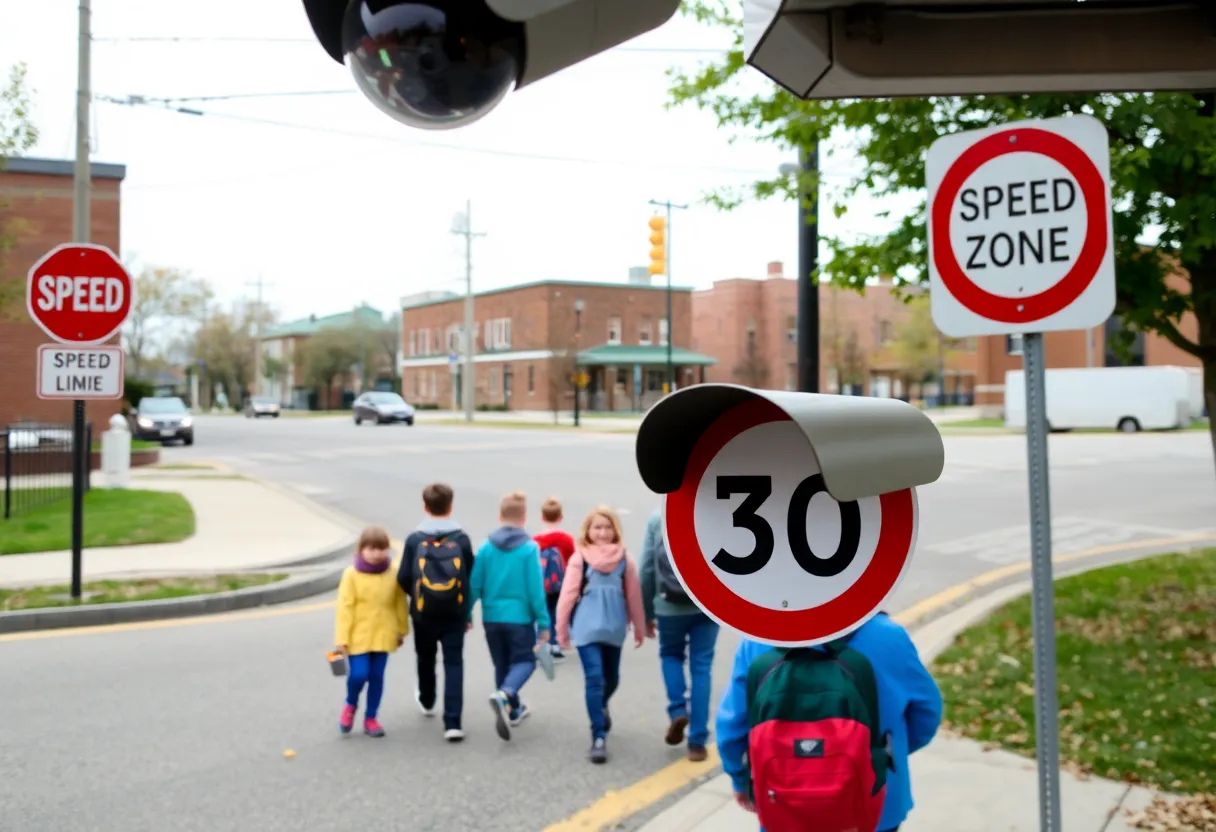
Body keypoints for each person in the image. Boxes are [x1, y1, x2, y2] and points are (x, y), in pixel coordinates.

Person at [716, 614, 943, 832]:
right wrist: (889, 750)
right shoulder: (887, 635)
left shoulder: (759, 637)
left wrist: (739, 780)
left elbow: (732, 727)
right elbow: (926, 714)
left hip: (784, 799)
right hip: (877, 798)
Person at [556, 506, 647, 765]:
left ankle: (601, 705)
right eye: (597, 527)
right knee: (594, 679)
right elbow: (567, 597)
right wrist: (561, 630)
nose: (603, 532)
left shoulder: (624, 560)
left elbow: (633, 597)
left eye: (607, 527)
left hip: (614, 628)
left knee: (612, 679)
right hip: (586, 629)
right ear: (588, 531)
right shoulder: (580, 558)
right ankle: (598, 736)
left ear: (615, 530)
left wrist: (639, 627)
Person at [468, 490, 550, 742]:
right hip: (519, 618)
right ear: (524, 517)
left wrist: (467, 612)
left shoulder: (485, 547)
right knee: (525, 661)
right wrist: (544, 622)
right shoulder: (529, 548)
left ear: (500, 515)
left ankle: (512, 709)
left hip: (492, 618)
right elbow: (535, 589)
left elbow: (475, 584)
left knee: (502, 664)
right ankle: (506, 695)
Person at [640, 507, 719, 763]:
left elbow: (647, 569)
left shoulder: (658, 519)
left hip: (669, 605)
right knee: (701, 667)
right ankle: (697, 742)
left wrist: (647, 611)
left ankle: (677, 709)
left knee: (670, 656)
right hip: (707, 604)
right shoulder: (712, 513)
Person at [397, 482, 475, 742]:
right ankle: (453, 722)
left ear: (425, 506)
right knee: (454, 662)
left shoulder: (414, 539)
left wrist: (421, 595)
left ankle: (427, 699)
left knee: (425, 657)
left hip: (423, 614)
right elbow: (469, 577)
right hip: (454, 613)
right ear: (451, 506)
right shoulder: (461, 539)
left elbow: (404, 577)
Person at [334, 525, 408, 739]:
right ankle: (350, 704)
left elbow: (399, 602)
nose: (377, 553)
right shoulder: (352, 574)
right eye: (372, 549)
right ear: (361, 549)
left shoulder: (393, 572)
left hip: (384, 632)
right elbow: (345, 607)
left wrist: (401, 630)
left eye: (382, 548)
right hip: (358, 634)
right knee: (358, 674)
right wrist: (342, 637)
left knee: (376, 676)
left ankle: (371, 718)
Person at [533, 496, 576, 662]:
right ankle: (557, 645)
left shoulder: (536, 540)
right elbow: (571, 560)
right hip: (560, 583)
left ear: (542, 517)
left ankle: (543, 644)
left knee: (543, 613)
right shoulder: (566, 539)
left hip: (542, 583)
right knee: (557, 612)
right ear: (560, 517)